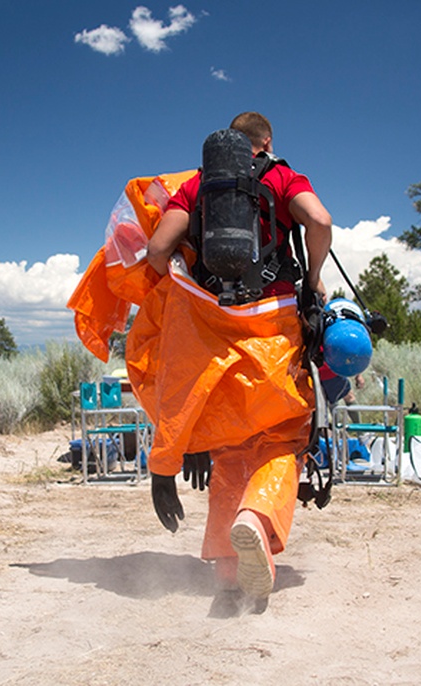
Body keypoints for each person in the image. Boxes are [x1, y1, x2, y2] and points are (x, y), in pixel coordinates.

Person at [129, 112, 332, 607]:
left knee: (232, 446)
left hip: (210, 330)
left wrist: (189, 286)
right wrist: (310, 281)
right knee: (282, 436)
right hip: (274, 324)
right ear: (265, 142)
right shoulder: (281, 175)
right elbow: (320, 221)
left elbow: (158, 249)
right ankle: (256, 523)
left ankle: (226, 566)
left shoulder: (197, 186)